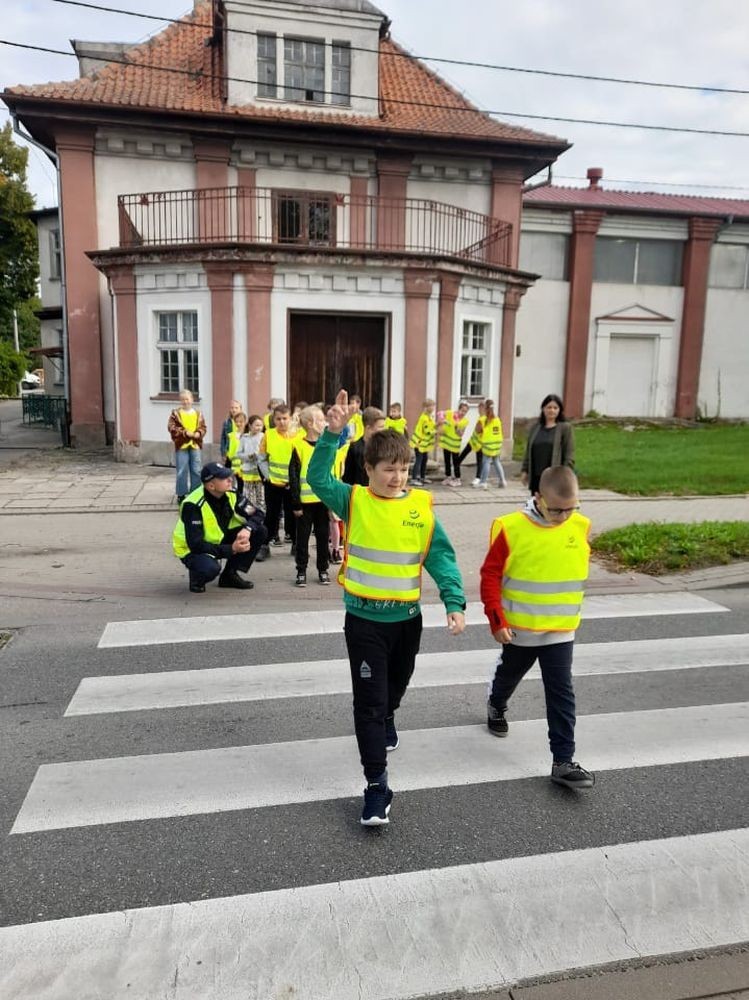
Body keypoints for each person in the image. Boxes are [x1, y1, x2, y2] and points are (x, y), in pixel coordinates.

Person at [308, 390, 467, 827]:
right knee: (369, 703)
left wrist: (454, 602)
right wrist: (333, 435)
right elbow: (318, 480)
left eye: (403, 469)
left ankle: (390, 713)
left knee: (394, 691)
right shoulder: (354, 500)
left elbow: (441, 558)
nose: (397, 477)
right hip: (363, 621)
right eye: (388, 469)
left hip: (406, 623)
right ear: (369, 469)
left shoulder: (421, 507)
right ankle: (377, 786)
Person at [479, 465, 594, 790]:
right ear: (537, 498)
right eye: (557, 509)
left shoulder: (581, 526)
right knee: (509, 675)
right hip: (519, 630)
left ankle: (563, 761)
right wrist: (496, 618)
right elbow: (490, 575)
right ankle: (496, 704)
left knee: (561, 692)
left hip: (560, 631)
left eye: (571, 508)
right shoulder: (511, 528)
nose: (564, 516)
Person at [172, 463, 268, 593]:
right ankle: (197, 577)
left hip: (218, 538)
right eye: (224, 478)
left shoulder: (231, 493)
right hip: (192, 549)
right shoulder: (193, 505)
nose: (230, 479)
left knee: (260, 531)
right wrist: (231, 549)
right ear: (211, 486)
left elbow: (258, 513)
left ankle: (229, 575)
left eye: (229, 475)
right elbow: (196, 545)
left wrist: (248, 529)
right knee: (210, 569)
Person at [289, 405, 334, 588]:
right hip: (305, 504)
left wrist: (332, 500)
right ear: (310, 423)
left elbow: (331, 473)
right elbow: (293, 476)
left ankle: (323, 569)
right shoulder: (298, 445)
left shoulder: (326, 445)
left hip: (323, 502)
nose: (325, 422)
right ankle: (301, 571)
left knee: (324, 537)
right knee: (303, 539)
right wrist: (295, 503)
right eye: (321, 419)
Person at [258, 403, 297, 555]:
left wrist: (294, 480)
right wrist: (268, 477)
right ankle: (265, 545)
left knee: (293, 514)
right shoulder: (269, 434)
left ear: (290, 418)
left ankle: (296, 544)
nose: (282, 422)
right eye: (278, 419)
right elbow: (261, 459)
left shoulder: (298, 435)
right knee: (271, 516)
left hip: (291, 484)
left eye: (285, 418)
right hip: (273, 484)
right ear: (273, 419)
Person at [521, 394, 575, 494]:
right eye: (549, 407)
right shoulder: (535, 428)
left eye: (555, 408)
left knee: (551, 507)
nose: (552, 410)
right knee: (537, 505)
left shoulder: (565, 428)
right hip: (536, 476)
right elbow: (528, 451)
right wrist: (525, 470)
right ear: (543, 409)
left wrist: (565, 475)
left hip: (554, 479)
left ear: (559, 410)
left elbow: (569, 454)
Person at [167, 389, 206, 502]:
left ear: (192, 400)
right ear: (180, 401)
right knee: (182, 470)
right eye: (183, 399)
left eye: (187, 399)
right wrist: (184, 432)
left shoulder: (198, 414)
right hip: (182, 445)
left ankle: (196, 492)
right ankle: (181, 493)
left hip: (195, 444)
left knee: (196, 469)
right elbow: (171, 427)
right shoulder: (176, 414)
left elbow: (203, 427)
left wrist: (199, 433)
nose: (185, 401)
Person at [342, 406, 386, 486]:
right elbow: (347, 478)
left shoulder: (386, 447)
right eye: (381, 427)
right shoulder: (355, 448)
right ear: (368, 428)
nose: (384, 430)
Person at [438, 400, 470, 486]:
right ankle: (448, 477)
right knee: (447, 460)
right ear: (459, 409)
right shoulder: (450, 413)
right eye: (462, 410)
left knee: (456, 462)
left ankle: (457, 478)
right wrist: (442, 420)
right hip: (446, 443)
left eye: (465, 412)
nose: (463, 413)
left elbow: (461, 434)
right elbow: (440, 413)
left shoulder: (464, 421)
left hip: (455, 445)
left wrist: (457, 427)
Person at [236, 414, 265, 509]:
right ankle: (250, 516)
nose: (259, 428)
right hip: (248, 471)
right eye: (256, 425)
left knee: (261, 496)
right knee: (249, 497)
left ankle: (261, 516)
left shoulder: (263, 437)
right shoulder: (244, 438)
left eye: (260, 425)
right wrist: (248, 457)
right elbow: (239, 454)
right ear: (250, 425)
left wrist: (259, 456)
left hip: (260, 471)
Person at [477, 399, 507, 489]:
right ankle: (502, 481)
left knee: (486, 462)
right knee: (497, 462)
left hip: (488, 444)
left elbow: (477, 430)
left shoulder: (483, 419)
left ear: (485, 408)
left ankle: (483, 482)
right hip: (497, 444)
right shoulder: (497, 419)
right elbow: (501, 431)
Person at [409, 398, 436, 486]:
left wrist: (438, 424)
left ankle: (422, 477)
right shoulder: (424, 418)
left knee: (424, 460)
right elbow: (427, 430)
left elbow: (432, 426)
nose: (433, 408)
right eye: (431, 406)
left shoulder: (429, 417)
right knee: (419, 461)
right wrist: (437, 432)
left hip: (424, 444)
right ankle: (413, 479)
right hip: (419, 443)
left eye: (433, 405)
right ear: (426, 407)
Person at [463, 400, 485, 486]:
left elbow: (479, 430)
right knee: (462, 456)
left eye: (480, 408)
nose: (479, 410)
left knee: (480, 461)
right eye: (479, 408)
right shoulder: (481, 418)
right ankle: (455, 474)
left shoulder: (483, 419)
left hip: (479, 444)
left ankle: (478, 478)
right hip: (473, 442)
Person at [220, 400, 244, 465]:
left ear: (240, 409)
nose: (234, 410)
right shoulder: (227, 422)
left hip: (241, 454)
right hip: (229, 453)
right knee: (228, 473)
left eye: (236, 408)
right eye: (232, 408)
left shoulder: (244, 422)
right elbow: (223, 438)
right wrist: (223, 453)